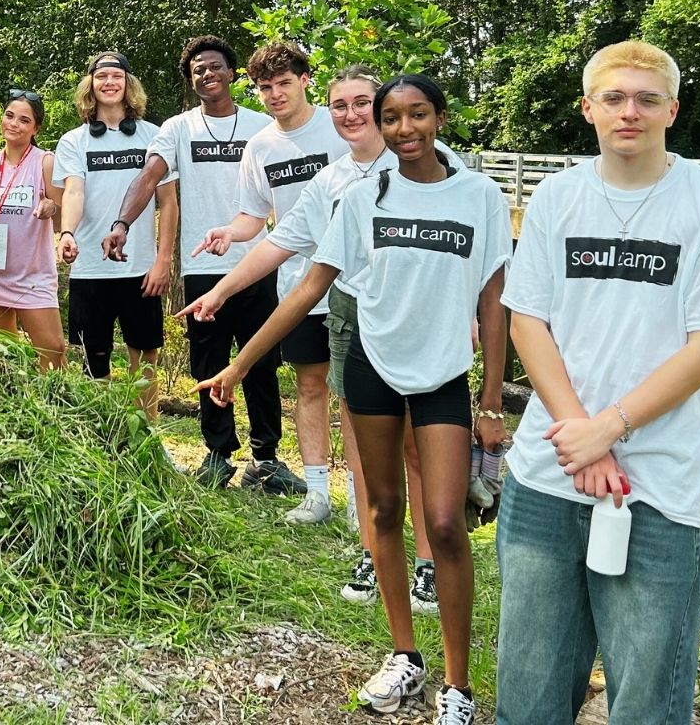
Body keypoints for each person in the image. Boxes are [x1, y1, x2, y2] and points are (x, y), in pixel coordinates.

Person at [199, 74, 509, 725]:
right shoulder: (362, 197)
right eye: (393, 117)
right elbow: (309, 287)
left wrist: (489, 403)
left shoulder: (478, 194)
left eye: (417, 115)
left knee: (448, 525)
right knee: (383, 509)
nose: (404, 129)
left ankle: (459, 688)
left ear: (439, 118)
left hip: (443, 374)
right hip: (371, 365)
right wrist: (241, 361)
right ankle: (405, 659)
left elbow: (494, 301)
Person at [495, 42, 700, 725]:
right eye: (614, 97)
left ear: (672, 110)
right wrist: (582, 438)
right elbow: (528, 322)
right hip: (548, 474)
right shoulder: (558, 198)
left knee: (647, 700)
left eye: (647, 99)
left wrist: (608, 430)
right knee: (528, 696)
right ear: (588, 108)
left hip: (658, 487)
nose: (630, 111)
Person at [180, 69, 444, 602]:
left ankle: (428, 563)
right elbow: (281, 245)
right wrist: (221, 292)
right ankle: (374, 554)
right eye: (341, 105)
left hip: (414, 323)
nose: (350, 115)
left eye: (362, 104)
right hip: (349, 320)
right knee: (368, 442)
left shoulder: (420, 168)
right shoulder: (333, 182)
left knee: (415, 446)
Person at [99, 36, 280, 487]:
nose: (207, 74)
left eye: (215, 66)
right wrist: (122, 222)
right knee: (208, 361)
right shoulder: (178, 128)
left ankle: (268, 460)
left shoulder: (263, 125)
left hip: (258, 261)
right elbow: (150, 176)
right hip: (203, 266)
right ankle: (218, 454)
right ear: (191, 79)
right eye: (198, 69)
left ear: (233, 73)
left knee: (260, 362)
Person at [192, 41, 351, 519]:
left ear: (306, 81)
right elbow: (254, 217)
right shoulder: (260, 145)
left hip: (354, 283)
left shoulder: (340, 127)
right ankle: (319, 493)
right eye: (266, 87)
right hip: (299, 285)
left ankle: (361, 498)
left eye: (284, 83)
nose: (276, 94)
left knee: (355, 392)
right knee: (309, 386)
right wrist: (228, 231)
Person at [52, 51, 175, 418]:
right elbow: (73, 191)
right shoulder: (74, 141)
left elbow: (168, 202)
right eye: (101, 76)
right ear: (90, 85)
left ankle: (147, 441)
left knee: (145, 359)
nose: (109, 83)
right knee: (94, 363)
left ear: (128, 84)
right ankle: (102, 441)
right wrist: (67, 232)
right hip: (91, 268)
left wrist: (162, 260)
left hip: (140, 268)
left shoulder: (155, 136)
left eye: (116, 76)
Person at [0, 89, 64, 371]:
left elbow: (63, 221)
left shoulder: (45, 162)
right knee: (4, 353)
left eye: (24, 120)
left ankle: (51, 410)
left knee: (53, 350)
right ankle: (13, 409)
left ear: (36, 128)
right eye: (9, 116)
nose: (14, 124)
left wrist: (51, 208)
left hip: (32, 274)